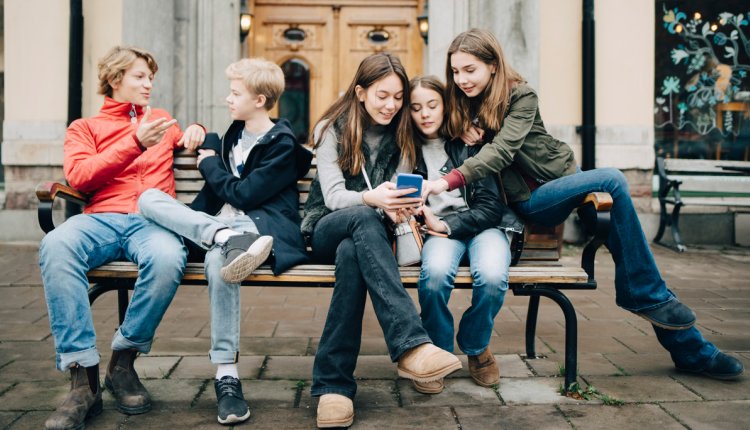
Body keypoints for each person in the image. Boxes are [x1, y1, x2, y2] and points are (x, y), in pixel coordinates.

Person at [424, 28, 744, 381]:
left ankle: (686, 344)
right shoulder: (461, 104)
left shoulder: (521, 95)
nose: (461, 79)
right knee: (613, 183)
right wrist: (462, 126)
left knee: (618, 214)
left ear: (494, 66)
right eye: (455, 71)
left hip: (559, 182)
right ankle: (655, 306)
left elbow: (503, 150)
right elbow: (432, 118)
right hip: (531, 202)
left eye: (470, 70)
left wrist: (446, 179)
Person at [39, 45, 207, 430]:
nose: (149, 84)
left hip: (151, 222)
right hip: (101, 218)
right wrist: (133, 142)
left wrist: (197, 131)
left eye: (151, 78)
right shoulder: (85, 128)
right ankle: (82, 378)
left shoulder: (162, 120)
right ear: (115, 80)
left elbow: (187, 138)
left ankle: (123, 361)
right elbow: (79, 177)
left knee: (168, 258)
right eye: (139, 77)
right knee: (56, 245)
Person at [138, 57, 312, 424]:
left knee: (221, 263)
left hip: (257, 234)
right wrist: (210, 141)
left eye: (236, 93)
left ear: (260, 100)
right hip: (218, 226)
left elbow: (245, 194)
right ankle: (221, 234)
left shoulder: (282, 144)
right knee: (148, 199)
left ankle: (226, 376)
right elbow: (219, 178)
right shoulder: (234, 131)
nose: (228, 98)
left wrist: (207, 163)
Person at [301, 53, 462, 428]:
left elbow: (445, 125)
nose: (391, 105)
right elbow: (334, 197)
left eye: (398, 97)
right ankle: (411, 344)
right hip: (326, 225)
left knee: (352, 253)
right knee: (357, 220)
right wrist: (372, 200)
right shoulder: (331, 129)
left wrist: (398, 208)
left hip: (369, 237)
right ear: (360, 92)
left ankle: (333, 386)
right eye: (382, 96)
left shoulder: (403, 133)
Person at [408, 75, 523, 394]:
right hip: (438, 232)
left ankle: (476, 346)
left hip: (484, 227)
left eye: (432, 105)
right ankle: (437, 353)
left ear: (446, 107)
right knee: (433, 277)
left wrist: (446, 226)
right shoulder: (407, 147)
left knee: (491, 276)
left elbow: (490, 206)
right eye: (416, 107)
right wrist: (421, 214)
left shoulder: (469, 142)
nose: (425, 114)